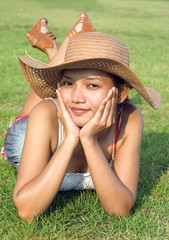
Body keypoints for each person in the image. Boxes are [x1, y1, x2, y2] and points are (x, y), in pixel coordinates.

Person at [1, 13, 161, 222]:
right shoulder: (45, 114)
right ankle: (57, 51)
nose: (76, 98)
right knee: (33, 115)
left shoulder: (130, 119)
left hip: (72, 124)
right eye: (67, 83)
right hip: (27, 135)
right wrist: (69, 140)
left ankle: (56, 49)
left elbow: (120, 208)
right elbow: (26, 211)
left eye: (92, 85)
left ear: (121, 93)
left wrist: (88, 140)